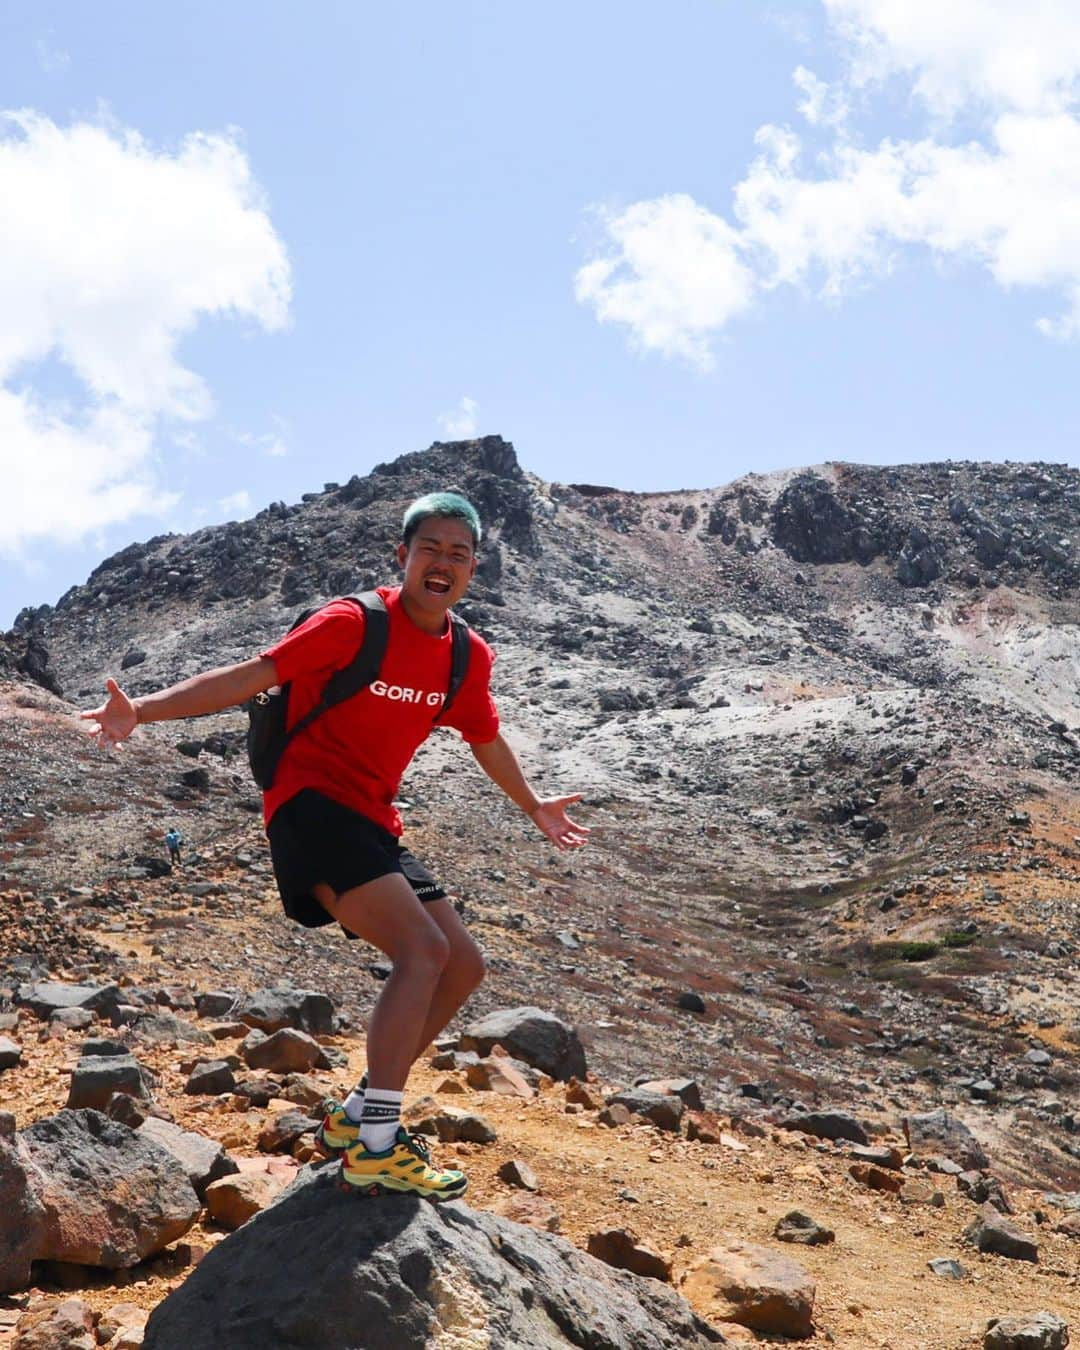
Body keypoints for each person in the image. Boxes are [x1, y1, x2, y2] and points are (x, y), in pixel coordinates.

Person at [81, 491, 589, 1200]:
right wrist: (143, 710)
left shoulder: (466, 657)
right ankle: (377, 1139)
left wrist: (533, 804)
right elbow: (252, 677)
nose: (443, 562)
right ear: (402, 557)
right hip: (309, 808)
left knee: (463, 964)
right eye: (430, 548)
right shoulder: (353, 623)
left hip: (373, 822)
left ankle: (356, 1119)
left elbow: (484, 736)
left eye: (459, 553)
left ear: (474, 568)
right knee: (424, 952)